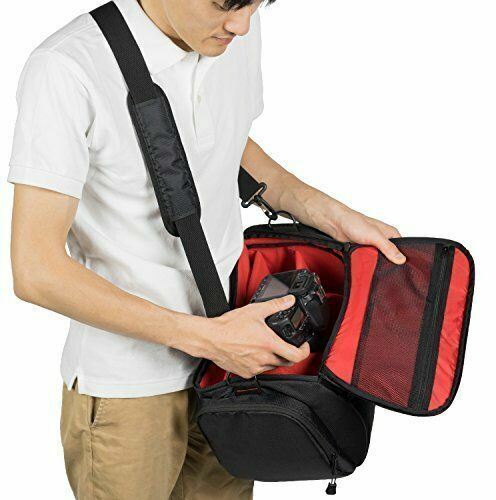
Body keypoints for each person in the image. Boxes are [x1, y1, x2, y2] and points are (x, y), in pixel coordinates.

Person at [8, 0, 406, 498]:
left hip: (231, 364)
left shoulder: (233, 32)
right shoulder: (66, 68)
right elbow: (36, 269)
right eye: (224, 4)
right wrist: (207, 338)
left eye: (256, 4)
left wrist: (329, 213)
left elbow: (224, 141)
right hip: (130, 388)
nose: (241, 23)